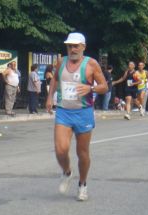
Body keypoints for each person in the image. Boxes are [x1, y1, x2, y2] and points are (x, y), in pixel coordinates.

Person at [46, 32, 108, 201]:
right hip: (64, 111)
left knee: (82, 153)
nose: (72, 49)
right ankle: (67, 172)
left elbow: (104, 87)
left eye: (75, 46)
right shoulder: (61, 62)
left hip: (83, 113)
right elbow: (55, 80)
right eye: (69, 46)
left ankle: (82, 184)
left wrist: (91, 89)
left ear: (83, 47)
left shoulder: (92, 64)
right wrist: (50, 97)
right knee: (60, 150)